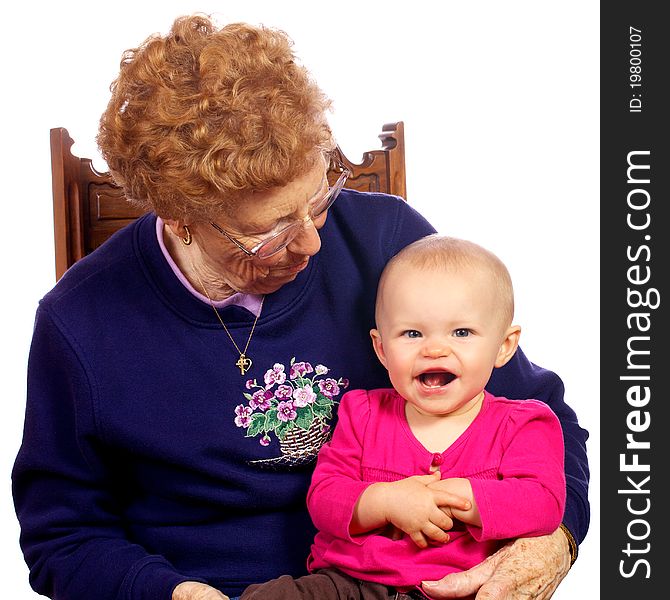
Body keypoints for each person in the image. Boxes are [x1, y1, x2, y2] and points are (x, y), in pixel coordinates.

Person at [11, 13, 588, 600]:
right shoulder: (80, 322)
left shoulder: (388, 244)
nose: (312, 243)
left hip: (415, 579)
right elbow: (64, 534)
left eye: (318, 200)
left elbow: (535, 411)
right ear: (180, 217)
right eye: (271, 233)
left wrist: (554, 540)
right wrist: (171, 594)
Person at [239, 235, 566, 600]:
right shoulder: (362, 412)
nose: (435, 348)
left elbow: (544, 503)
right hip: (352, 584)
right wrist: (387, 502)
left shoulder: (524, 424)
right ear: (381, 348)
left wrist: (466, 497)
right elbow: (325, 498)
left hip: (459, 589)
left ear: (504, 346)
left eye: (462, 332)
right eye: (412, 333)